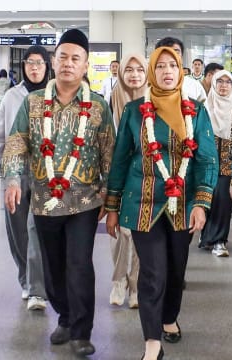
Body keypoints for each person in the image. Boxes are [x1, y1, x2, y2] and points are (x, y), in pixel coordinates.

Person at [2, 29, 115, 357]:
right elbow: (17, 142)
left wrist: (111, 197)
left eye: (75, 58)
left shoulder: (97, 107)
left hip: (84, 201)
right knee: (51, 267)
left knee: (79, 263)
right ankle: (64, 316)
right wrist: (11, 179)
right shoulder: (33, 103)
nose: (68, 63)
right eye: (63, 57)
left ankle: (81, 330)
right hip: (44, 201)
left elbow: (109, 152)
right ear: (54, 62)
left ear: (85, 66)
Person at [105, 46, 218, 360]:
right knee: (153, 272)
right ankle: (152, 343)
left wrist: (201, 203)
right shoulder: (135, 111)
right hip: (142, 202)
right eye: (160, 66)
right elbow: (120, 160)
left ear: (180, 71)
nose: (167, 71)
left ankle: (169, 317)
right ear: (151, 73)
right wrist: (112, 207)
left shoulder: (196, 110)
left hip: (183, 204)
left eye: (173, 66)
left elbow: (207, 159)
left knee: (175, 270)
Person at [0, 45, 52, 312]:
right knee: (18, 231)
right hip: (15, 171)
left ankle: (37, 288)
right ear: (23, 66)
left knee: (36, 229)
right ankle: (25, 278)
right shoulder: (12, 96)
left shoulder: (54, 93)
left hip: (46, 172)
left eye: (40, 63)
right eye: (30, 63)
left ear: (47, 66)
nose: (35, 67)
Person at [106, 54, 149, 309]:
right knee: (118, 233)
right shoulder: (112, 100)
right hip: (116, 175)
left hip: (145, 179)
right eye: (129, 70)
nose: (134, 75)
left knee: (141, 234)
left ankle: (136, 284)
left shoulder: (154, 102)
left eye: (139, 70)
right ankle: (118, 280)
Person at [199, 69, 232, 257]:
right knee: (206, 201)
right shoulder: (203, 109)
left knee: (223, 202)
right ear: (213, 84)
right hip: (204, 166)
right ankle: (206, 236)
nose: (223, 85)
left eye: (227, 82)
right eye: (219, 81)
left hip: (228, 167)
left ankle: (219, 241)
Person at [155, 38, 207, 102]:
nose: (172, 56)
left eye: (176, 52)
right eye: (167, 53)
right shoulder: (149, 88)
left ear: (181, 57)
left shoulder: (194, 86)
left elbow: (204, 110)